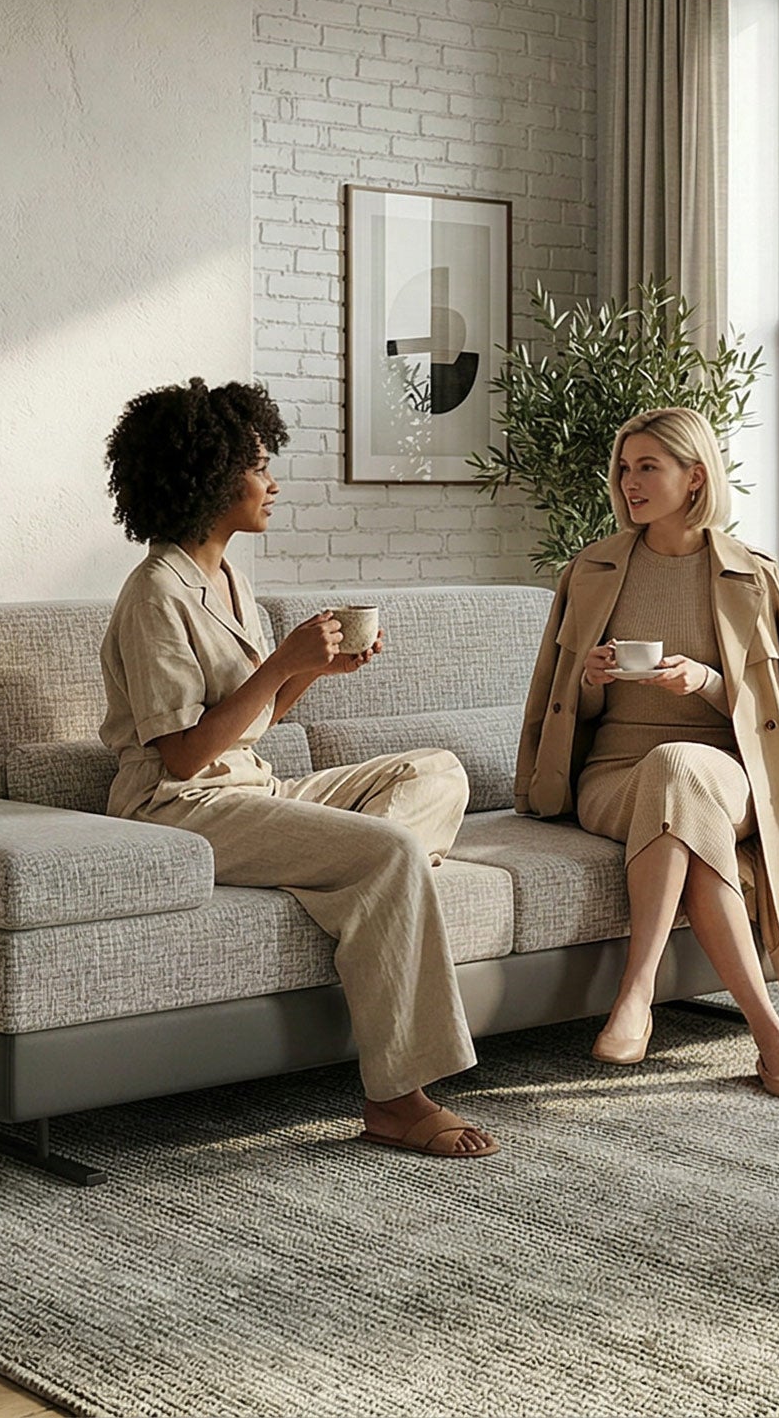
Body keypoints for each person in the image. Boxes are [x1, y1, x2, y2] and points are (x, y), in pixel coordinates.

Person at [99, 378, 496, 1159]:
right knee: (387, 851)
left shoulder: (229, 578)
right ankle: (396, 1099)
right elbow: (183, 752)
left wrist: (312, 673)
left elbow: (252, 720)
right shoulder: (155, 593)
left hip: (253, 787)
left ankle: (348, 879)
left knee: (437, 771)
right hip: (181, 805)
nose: (272, 482)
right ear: (211, 477)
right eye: (257, 466)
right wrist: (282, 658)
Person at [515, 407, 779, 1102]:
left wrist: (708, 681)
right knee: (670, 779)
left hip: (725, 771)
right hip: (613, 777)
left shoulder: (753, 576)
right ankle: (772, 1042)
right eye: (624, 468)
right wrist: (592, 681)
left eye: (647, 467)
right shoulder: (592, 570)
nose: (629, 481)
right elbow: (562, 708)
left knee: (681, 767)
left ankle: (637, 993)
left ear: (694, 478)